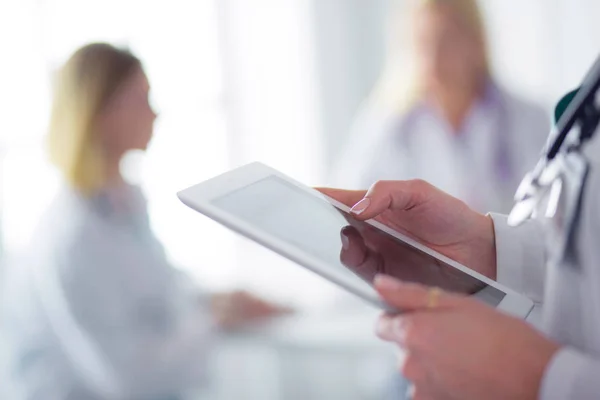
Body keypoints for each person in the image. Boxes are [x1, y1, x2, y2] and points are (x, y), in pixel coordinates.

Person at [0, 43, 287, 400]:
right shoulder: (71, 237)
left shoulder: (124, 204)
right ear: (101, 113)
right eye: (140, 100)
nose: (154, 114)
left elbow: (156, 291)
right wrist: (215, 321)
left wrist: (215, 300)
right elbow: (126, 379)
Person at [319, 78, 600, 398]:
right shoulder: (390, 121)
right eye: (429, 41)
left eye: (453, 37)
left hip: (501, 345)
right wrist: (487, 247)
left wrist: (541, 378)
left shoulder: (521, 115)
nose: (441, 53)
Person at [332, 0, 549, 213]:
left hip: (504, 248)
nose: (433, 59)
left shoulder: (528, 120)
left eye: (445, 40)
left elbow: (548, 212)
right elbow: (352, 203)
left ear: (475, 40)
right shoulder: (387, 126)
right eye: (423, 43)